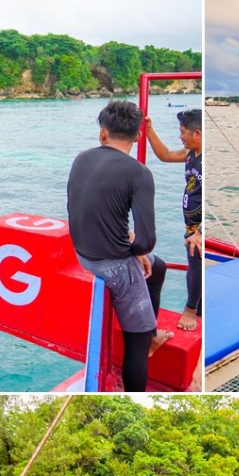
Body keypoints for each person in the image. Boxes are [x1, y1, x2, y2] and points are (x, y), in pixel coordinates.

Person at [67, 100, 171, 392]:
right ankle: (146, 341)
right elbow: (147, 240)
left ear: (102, 133)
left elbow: (84, 209)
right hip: (112, 266)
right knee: (135, 348)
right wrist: (135, 252)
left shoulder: (81, 158)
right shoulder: (138, 173)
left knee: (158, 266)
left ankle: (150, 329)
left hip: (83, 254)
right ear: (139, 136)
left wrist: (134, 249)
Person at [145, 109, 203, 331]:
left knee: (195, 260)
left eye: (183, 132)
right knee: (193, 262)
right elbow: (165, 154)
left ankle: (191, 310)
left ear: (197, 133)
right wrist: (149, 130)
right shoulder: (190, 154)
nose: (180, 136)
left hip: (199, 228)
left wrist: (201, 232)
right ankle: (199, 308)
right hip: (191, 225)